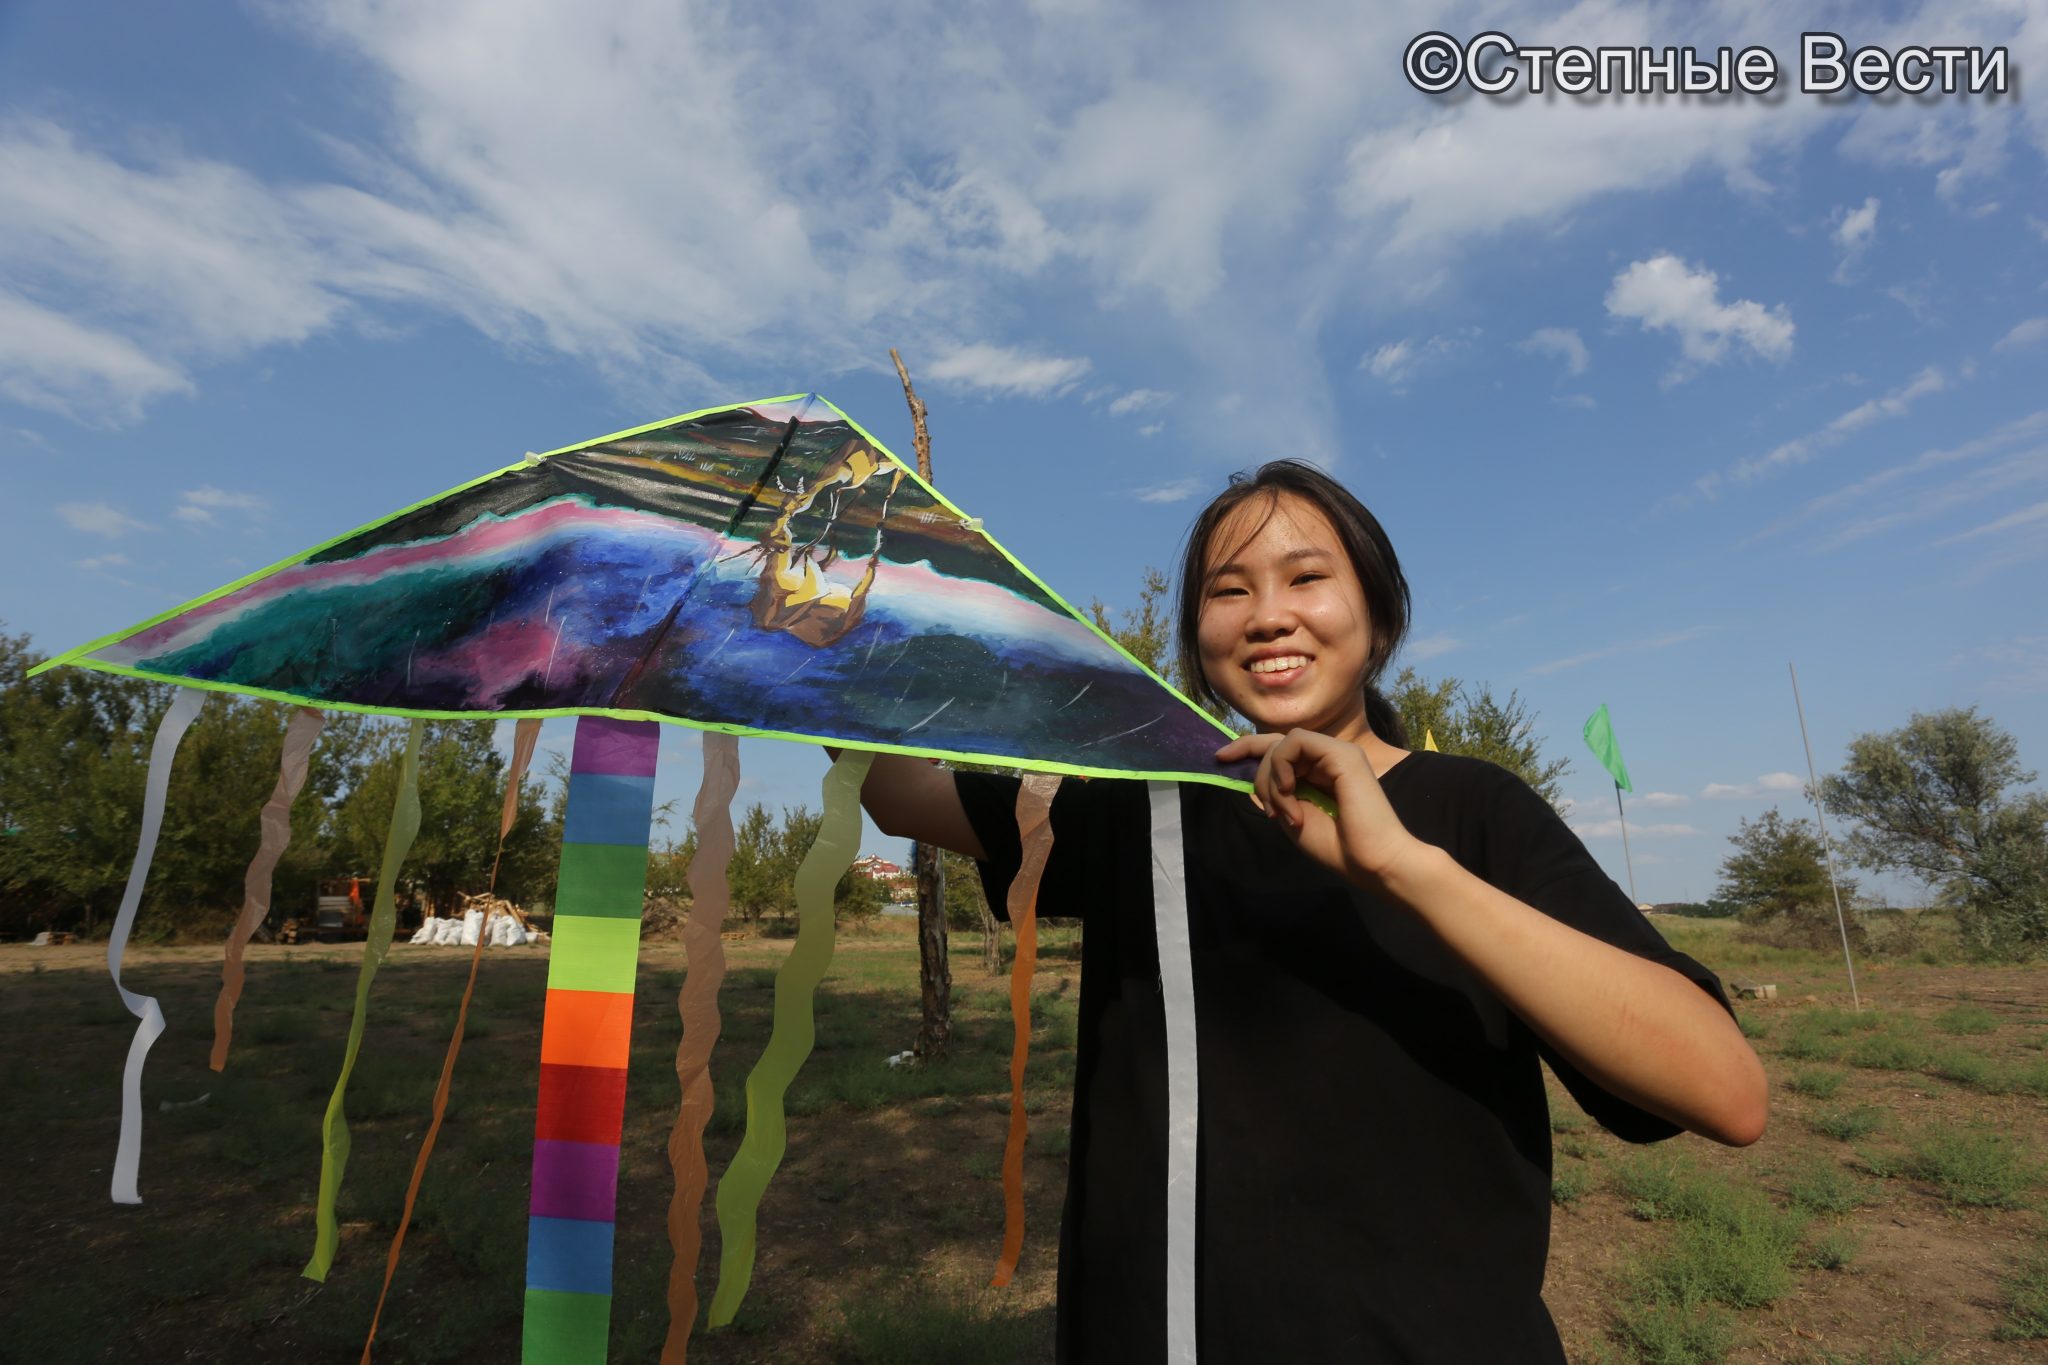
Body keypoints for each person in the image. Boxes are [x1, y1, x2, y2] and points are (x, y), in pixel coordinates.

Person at [856, 459, 1768, 1362]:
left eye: (1306, 577)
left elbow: (1725, 1092)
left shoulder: (1473, 808)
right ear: (1197, 634)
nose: (1268, 615)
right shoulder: (1149, 806)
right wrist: (824, 636)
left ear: (1376, 614)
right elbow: (901, 797)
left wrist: (1407, 868)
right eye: (1228, 590)